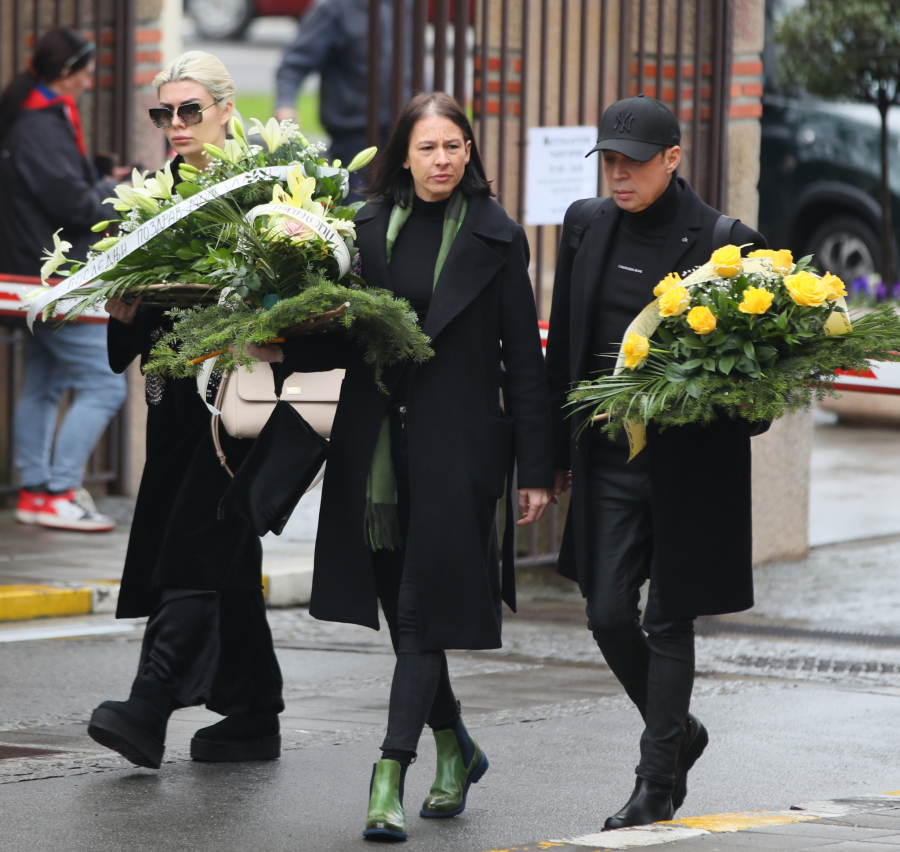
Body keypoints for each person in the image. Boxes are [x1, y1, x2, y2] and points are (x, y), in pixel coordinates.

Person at [254, 91, 555, 842]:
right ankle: (456, 747)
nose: (443, 160)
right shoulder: (360, 229)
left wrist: (539, 467)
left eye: (454, 146)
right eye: (428, 148)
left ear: (469, 151)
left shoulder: (496, 235)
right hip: (377, 450)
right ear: (404, 155)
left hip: (458, 452)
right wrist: (278, 345)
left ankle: (389, 772)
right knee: (404, 614)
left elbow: (523, 357)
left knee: (422, 613)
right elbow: (345, 336)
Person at [545, 94, 768, 829]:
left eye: (632, 163)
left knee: (669, 622)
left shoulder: (726, 245)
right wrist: (548, 458)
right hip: (607, 463)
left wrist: (690, 403)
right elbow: (562, 357)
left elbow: (761, 398)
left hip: (686, 474)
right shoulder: (586, 226)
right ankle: (681, 735)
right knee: (608, 613)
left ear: (673, 159)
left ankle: (653, 782)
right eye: (608, 160)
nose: (618, 175)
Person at [85, 51, 284, 771]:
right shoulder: (152, 199)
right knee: (214, 541)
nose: (176, 125)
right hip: (172, 406)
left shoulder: (265, 194)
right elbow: (131, 330)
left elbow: (297, 296)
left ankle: (151, 700)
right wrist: (124, 306)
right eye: (164, 113)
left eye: (190, 110)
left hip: (240, 404)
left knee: (198, 540)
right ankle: (254, 709)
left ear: (227, 110)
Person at [0, 28, 126, 532]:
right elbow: (73, 204)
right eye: (87, 72)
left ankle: (35, 492)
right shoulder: (39, 125)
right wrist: (122, 197)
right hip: (52, 277)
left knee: (45, 384)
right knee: (104, 385)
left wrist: (97, 179)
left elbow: (58, 186)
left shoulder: (34, 114)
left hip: (33, 274)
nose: (92, 81)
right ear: (67, 73)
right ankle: (57, 491)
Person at [274, 0, 408, 202]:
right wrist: (285, 104)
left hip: (401, 129)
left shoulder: (402, 5)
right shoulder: (334, 8)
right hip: (354, 133)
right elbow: (295, 62)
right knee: (357, 212)